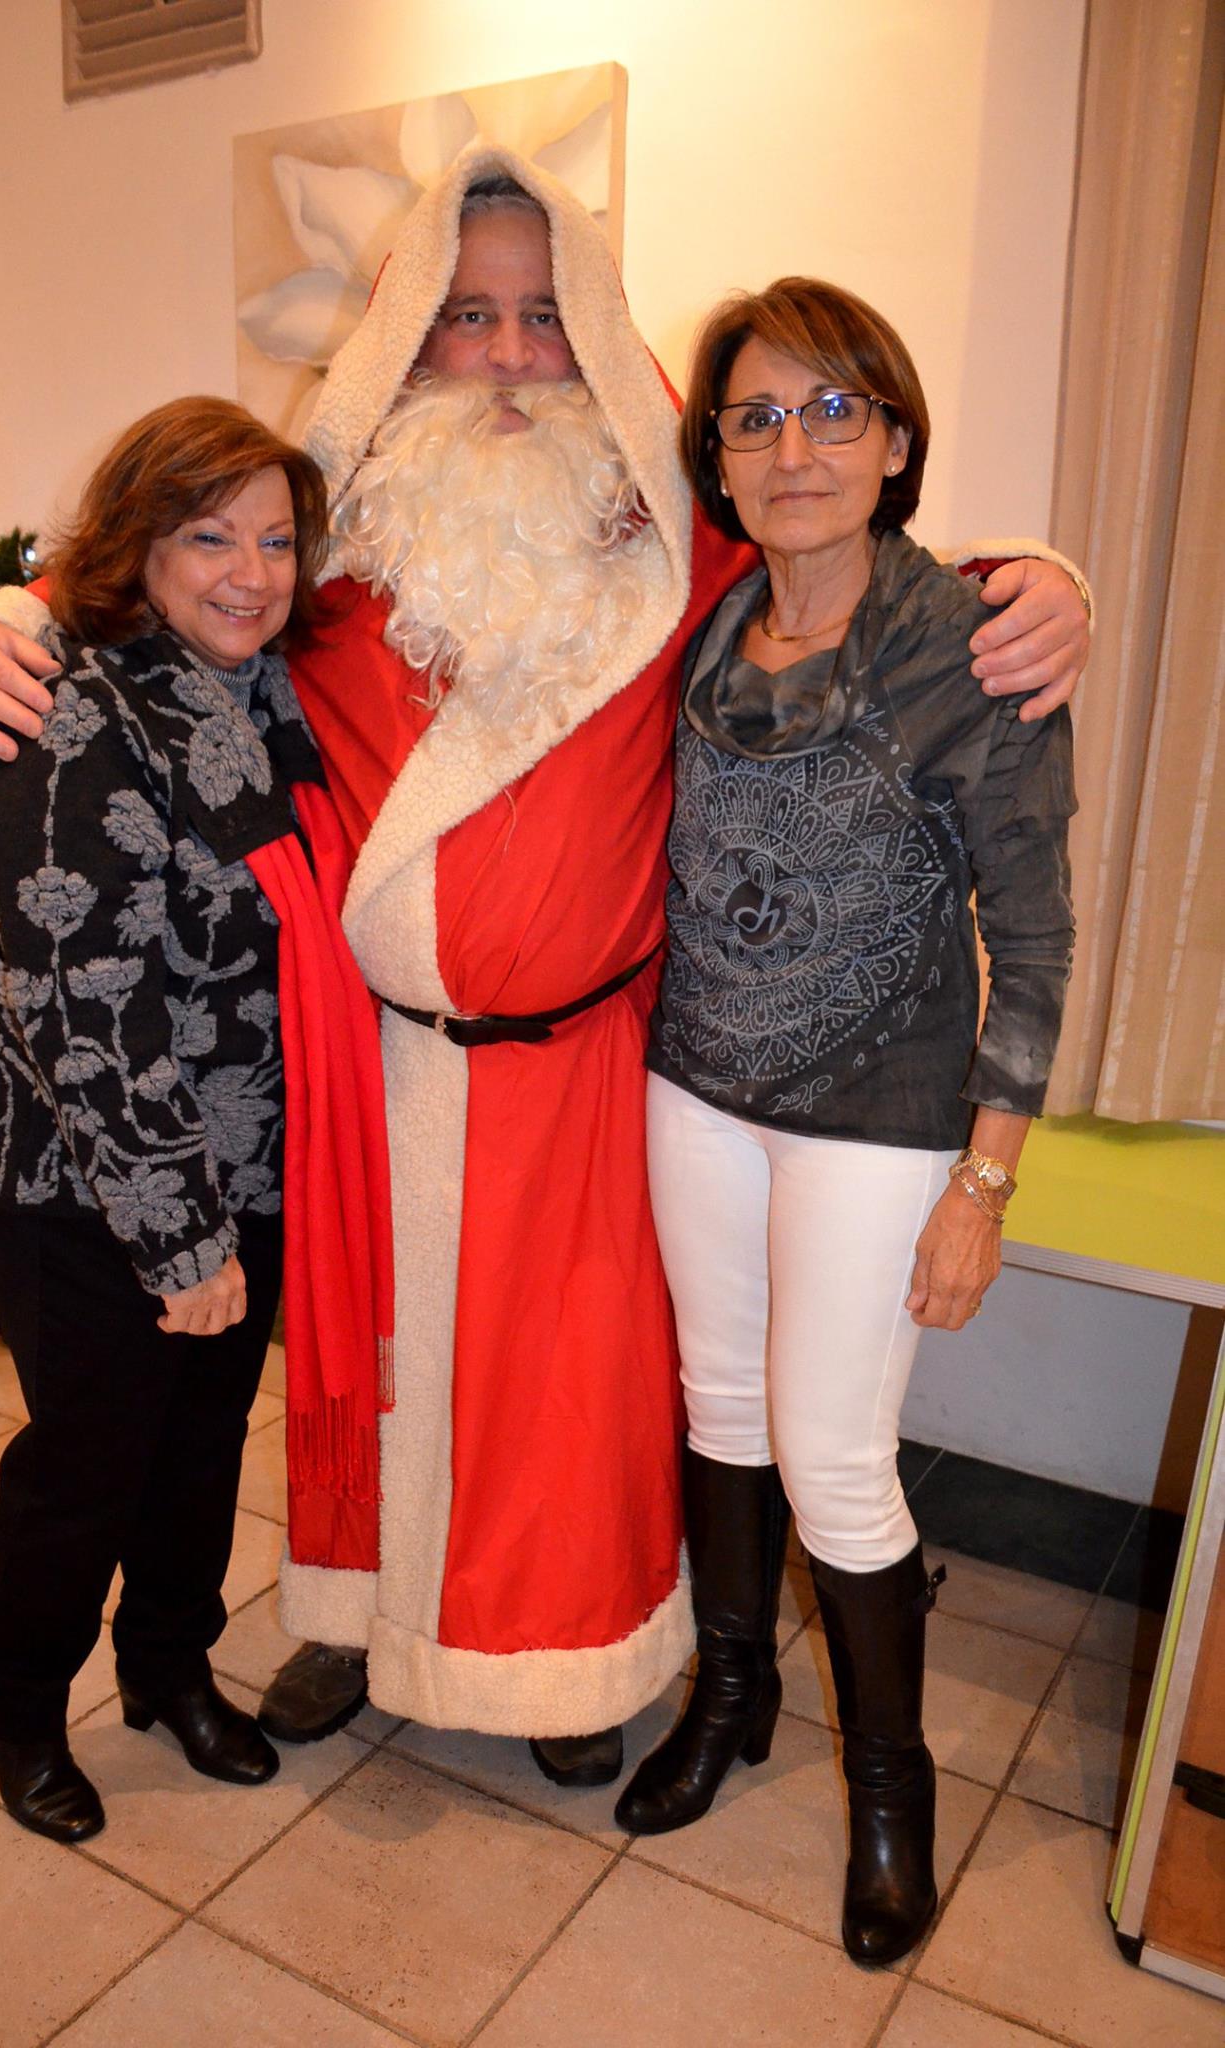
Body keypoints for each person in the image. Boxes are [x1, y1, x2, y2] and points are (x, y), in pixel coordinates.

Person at [0, 148, 1090, 1790]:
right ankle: (361, 1622)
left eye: (546, 316)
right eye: (468, 316)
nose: (512, 355)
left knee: (570, 1397)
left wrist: (1043, 579)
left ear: (599, 334)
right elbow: (132, 592)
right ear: (406, 333)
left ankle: (564, 1656)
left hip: (589, 1066)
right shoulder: (324, 553)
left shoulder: (682, 551)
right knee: (373, 1384)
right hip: (367, 1068)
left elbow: (863, 566)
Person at [611, 278, 1074, 1965]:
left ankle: (892, 1788)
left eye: (832, 410)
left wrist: (984, 1184)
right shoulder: (707, 620)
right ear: (717, 460)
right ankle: (732, 1697)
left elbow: (1037, 937)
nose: (792, 448)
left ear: (893, 440)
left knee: (833, 1452)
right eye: (756, 417)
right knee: (720, 1411)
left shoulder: (975, 644)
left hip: (880, 1121)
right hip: (696, 1088)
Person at [0, 396, 390, 1844]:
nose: (251, 573)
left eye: (277, 540)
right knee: (86, 1468)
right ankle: (22, 1712)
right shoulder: (70, 710)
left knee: (198, 1454)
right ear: (136, 541)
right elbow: (84, 1007)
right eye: (210, 537)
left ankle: (169, 1670)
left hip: (243, 1157)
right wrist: (180, 1238)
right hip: (88, 1183)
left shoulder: (266, 696)